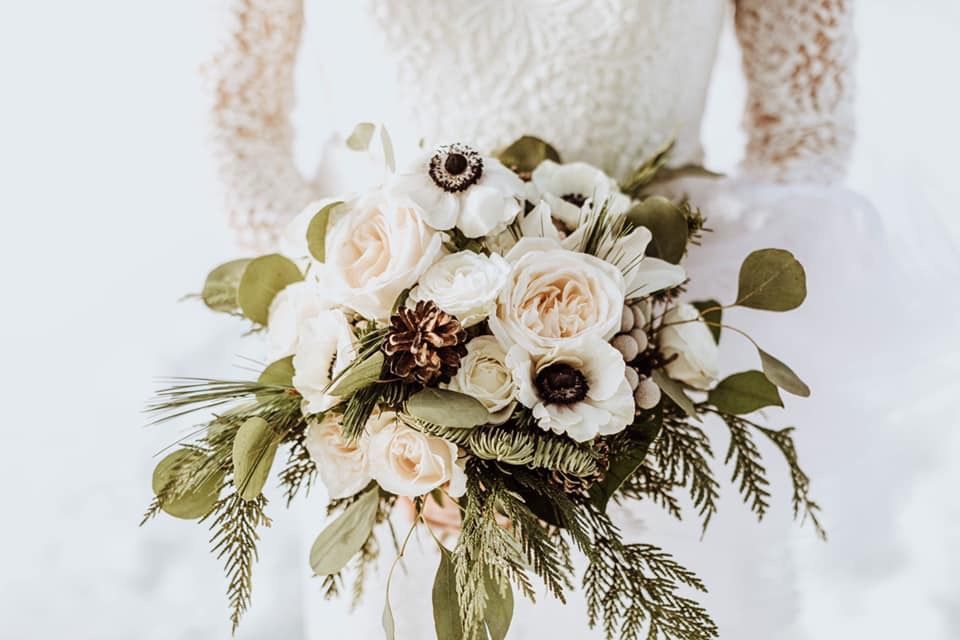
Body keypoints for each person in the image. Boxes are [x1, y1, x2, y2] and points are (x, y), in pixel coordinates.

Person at [205, 1, 960, 637]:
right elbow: (236, 112)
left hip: (656, 395)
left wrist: (653, 335)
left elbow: (803, 127)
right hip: (390, 426)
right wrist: (352, 339)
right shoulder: (375, 384)